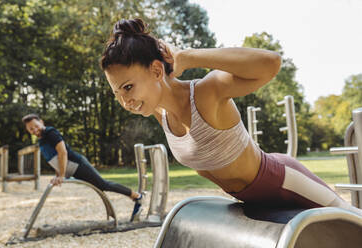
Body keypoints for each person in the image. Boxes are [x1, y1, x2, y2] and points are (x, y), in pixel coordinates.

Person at [100, 18, 362, 215]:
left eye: (128, 87)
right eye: (117, 93)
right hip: (253, 200)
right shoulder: (160, 112)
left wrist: (187, 57)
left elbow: (271, 63)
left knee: (352, 223)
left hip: (283, 181)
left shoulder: (206, 92)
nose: (125, 101)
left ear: (157, 71)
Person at [22, 114, 143, 221]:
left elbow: (62, 152)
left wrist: (62, 175)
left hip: (78, 165)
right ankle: (135, 197)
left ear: (41, 122)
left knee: (103, 185)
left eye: (36, 126)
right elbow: (54, 160)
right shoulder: (42, 140)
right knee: (101, 186)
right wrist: (58, 175)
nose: (34, 130)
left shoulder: (50, 132)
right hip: (72, 169)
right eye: (31, 129)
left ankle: (137, 196)